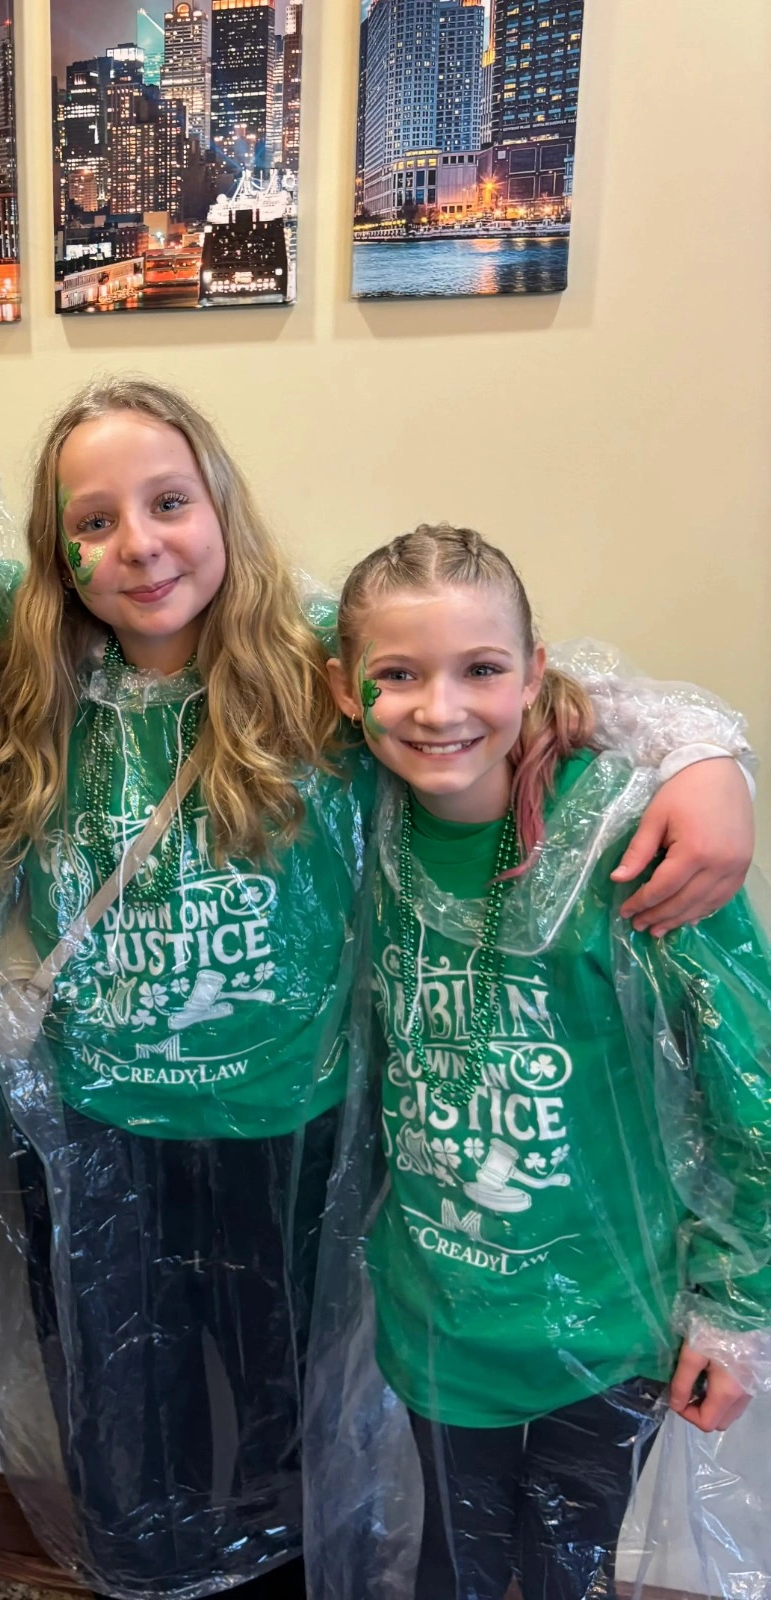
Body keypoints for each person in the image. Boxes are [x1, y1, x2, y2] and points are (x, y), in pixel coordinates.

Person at [0, 379, 758, 1600]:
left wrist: (709, 757)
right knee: (125, 1417)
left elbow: (503, 680)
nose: (140, 543)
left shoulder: (314, 666)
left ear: (220, 506)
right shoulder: (37, 663)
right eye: (96, 520)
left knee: (290, 1425)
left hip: (285, 1137)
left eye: (169, 500)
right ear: (58, 556)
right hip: (101, 1135)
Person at [306, 524, 771, 1600]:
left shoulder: (638, 844)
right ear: (346, 690)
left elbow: (748, 1090)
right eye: (397, 674)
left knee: (567, 1568)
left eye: (480, 668)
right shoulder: (361, 817)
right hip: (439, 1313)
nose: (440, 707)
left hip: (607, 1323)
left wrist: (735, 1312)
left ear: (534, 674)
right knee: (451, 1566)